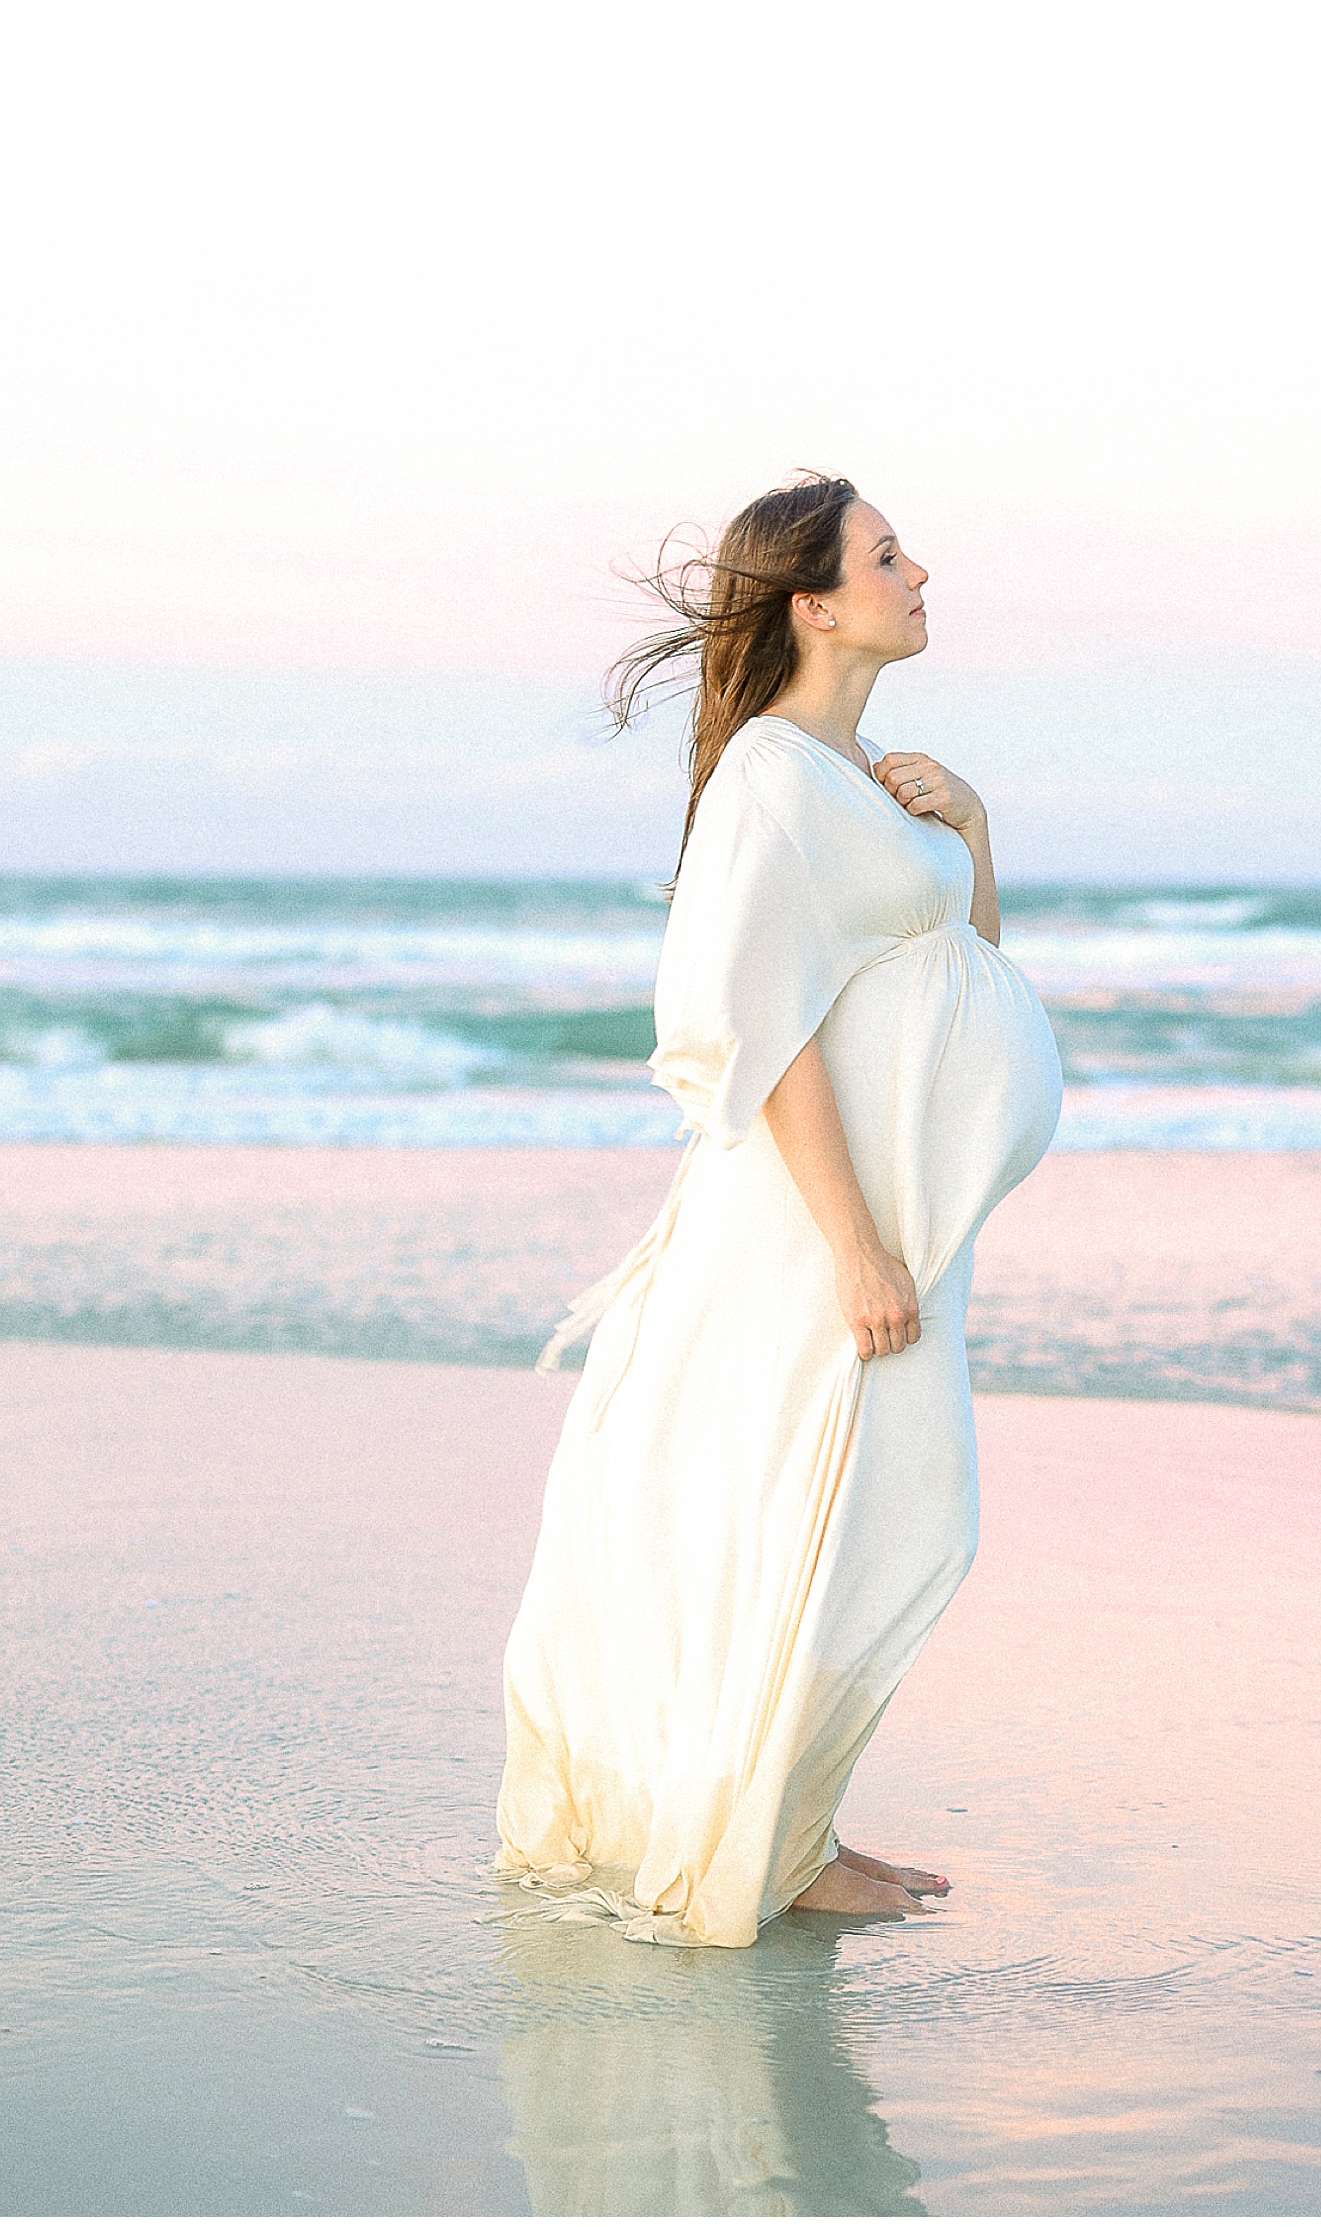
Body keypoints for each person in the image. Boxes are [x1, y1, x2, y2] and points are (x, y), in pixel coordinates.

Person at [494, 473, 1062, 1947]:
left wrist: (980, 828)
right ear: (814, 601)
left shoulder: (860, 773)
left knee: (875, 1509)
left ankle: (795, 1825)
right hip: (819, 1235)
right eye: (887, 554)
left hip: (888, 1228)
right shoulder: (769, 777)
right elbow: (758, 1024)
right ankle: (776, 1844)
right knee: (822, 1512)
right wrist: (855, 1243)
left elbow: (971, 963)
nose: (919, 567)